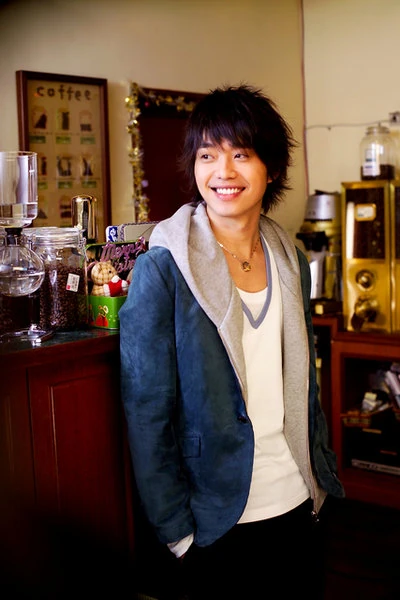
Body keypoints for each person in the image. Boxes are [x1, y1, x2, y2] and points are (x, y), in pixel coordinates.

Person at [119, 84, 345, 600]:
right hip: (215, 520)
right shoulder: (163, 269)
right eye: (207, 155)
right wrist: (176, 532)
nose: (223, 172)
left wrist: (321, 476)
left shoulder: (289, 259)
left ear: (272, 168)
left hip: (298, 501)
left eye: (241, 154)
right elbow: (146, 410)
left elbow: (304, 385)